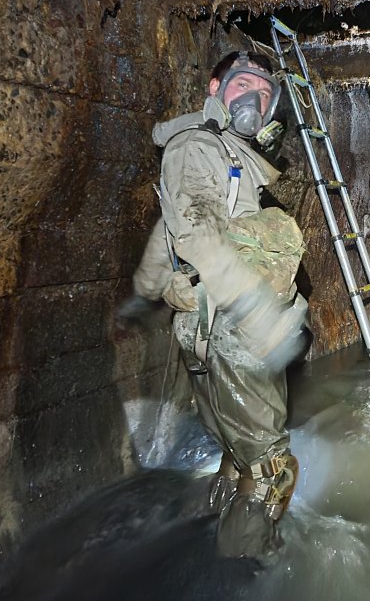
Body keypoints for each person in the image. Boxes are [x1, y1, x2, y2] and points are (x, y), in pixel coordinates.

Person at [117, 50, 307, 556]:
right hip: (232, 331)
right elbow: (199, 236)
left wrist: (145, 290)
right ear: (215, 87)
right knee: (270, 469)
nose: (255, 98)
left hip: (209, 328)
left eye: (265, 94)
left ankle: (218, 545)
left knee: (237, 458)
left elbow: (171, 228)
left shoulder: (224, 152)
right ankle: (243, 571)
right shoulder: (198, 145)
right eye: (244, 84)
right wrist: (261, 313)